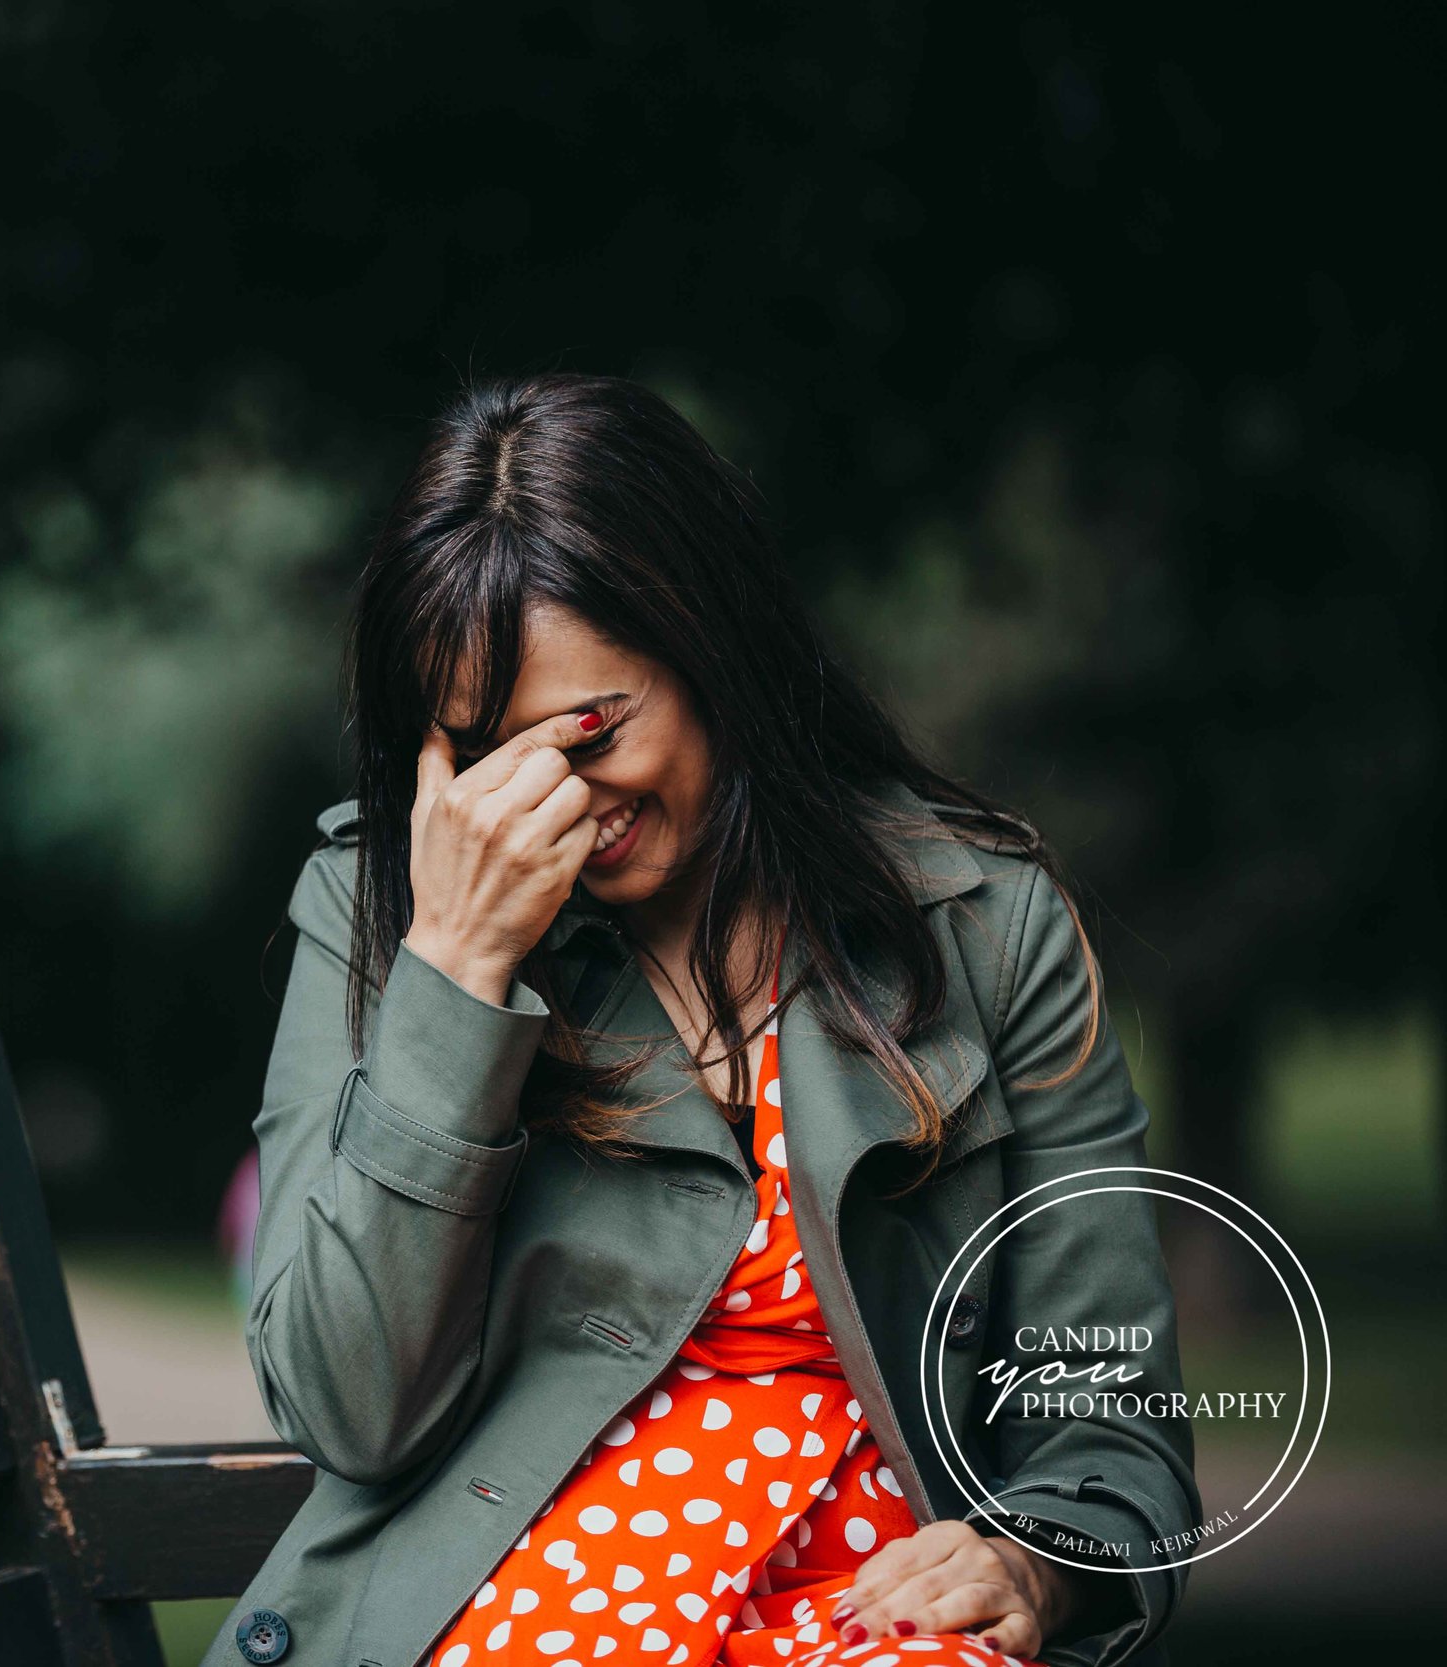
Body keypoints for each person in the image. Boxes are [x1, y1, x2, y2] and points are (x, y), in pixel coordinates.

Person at [205, 375, 1198, 1667]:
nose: (546, 806)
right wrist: (455, 973)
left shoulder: (982, 925)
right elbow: (348, 1412)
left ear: (714, 652)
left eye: (588, 731)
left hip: (867, 1614)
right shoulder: (381, 910)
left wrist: (1035, 1564)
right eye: (481, 754)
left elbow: (1101, 1419)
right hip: (521, 1603)